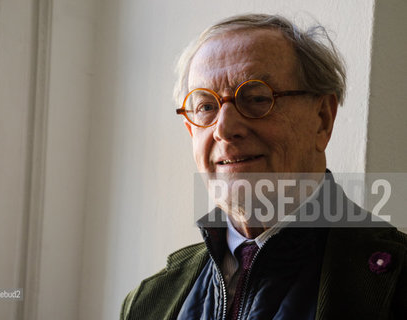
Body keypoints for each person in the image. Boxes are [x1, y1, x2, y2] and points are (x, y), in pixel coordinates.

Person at [120, 14, 407, 320]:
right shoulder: (148, 300)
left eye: (257, 98)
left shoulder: (396, 283)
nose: (225, 128)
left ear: (322, 119)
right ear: (192, 130)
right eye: (206, 106)